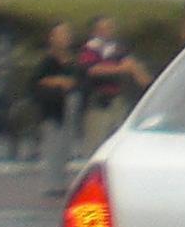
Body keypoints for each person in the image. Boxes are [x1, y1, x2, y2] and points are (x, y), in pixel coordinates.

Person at [78, 17, 150, 148]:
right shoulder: (90, 48)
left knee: (116, 141)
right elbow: (92, 70)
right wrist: (120, 68)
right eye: (103, 29)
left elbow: (131, 65)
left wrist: (148, 86)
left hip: (117, 100)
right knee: (96, 142)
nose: (107, 31)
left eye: (109, 28)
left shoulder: (116, 48)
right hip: (99, 102)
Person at [28, 24, 83, 169]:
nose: (64, 38)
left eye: (66, 35)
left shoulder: (73, 61)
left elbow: (79, 81)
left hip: (70, 108)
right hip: (52, 111)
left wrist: (71, 83)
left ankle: (61, 176)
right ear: (52, 38)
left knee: (65, 150)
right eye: (60, 35)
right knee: (53, 149)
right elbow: (36, 82)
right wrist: (57, 81)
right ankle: (52, 179)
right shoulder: (47, 61)